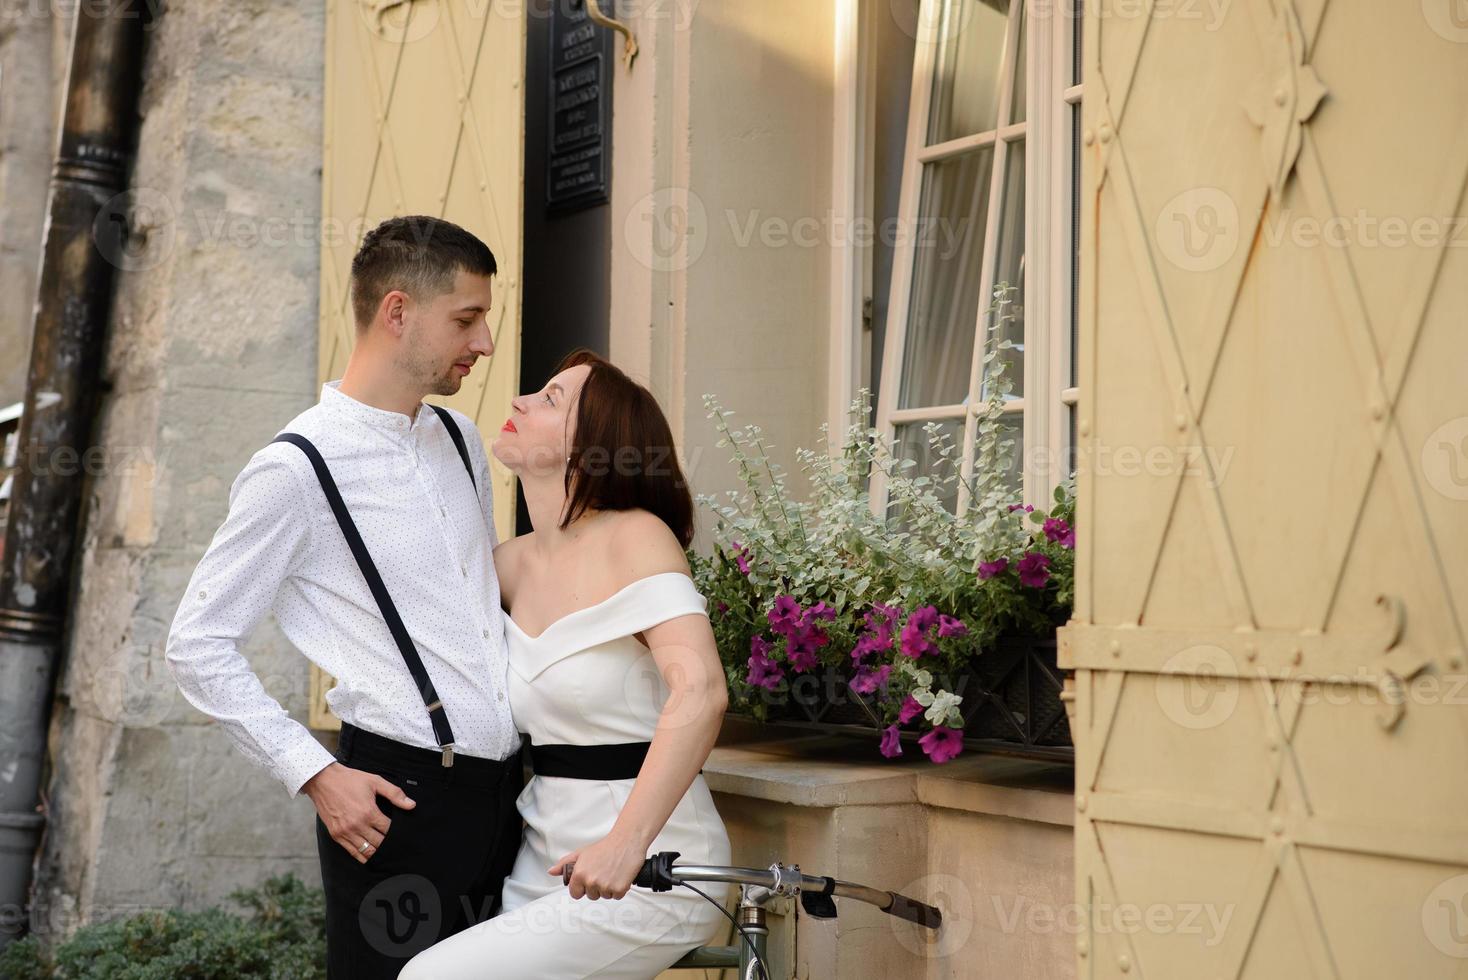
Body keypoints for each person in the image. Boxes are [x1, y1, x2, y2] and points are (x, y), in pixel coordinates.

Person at [165, 215, 524, 978]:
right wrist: (314, 771)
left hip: (506, 798)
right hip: (395, 801)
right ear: (397, 312)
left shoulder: (460, 440)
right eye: (467, 318)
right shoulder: (297, 468)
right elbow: (196, 642)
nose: (485, 342)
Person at [399, 350, 732, 978]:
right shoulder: (505, 565)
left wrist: (624, 846)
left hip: (653, 869)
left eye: (551, 399)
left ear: (593, 448)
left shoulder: (637, 538)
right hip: (542, 862)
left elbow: (702, 691)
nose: (520, 402)